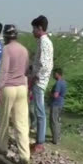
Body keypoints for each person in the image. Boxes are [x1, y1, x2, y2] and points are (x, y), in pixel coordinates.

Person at [0, 24, 30, 164]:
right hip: (22, 87)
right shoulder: (24, 50)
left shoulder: (7, 49)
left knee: (4, 120)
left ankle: (3, 148)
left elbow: (4, 72)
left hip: (9, 88)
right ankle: (24, 155)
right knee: (21, 123)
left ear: (6, 36)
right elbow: (26, 70)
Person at [30, 15, 54, 154]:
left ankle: (40, 142)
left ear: (40, 28)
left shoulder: (45, 42)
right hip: (38, 80)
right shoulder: (41, 42)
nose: (32, 31)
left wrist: (36, 78)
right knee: (39, 111)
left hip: (39, 82)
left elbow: (44, 65)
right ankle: (39, 140)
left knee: (40, 113)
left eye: (34, 28)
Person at [50, 68, 66, 144]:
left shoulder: (58, 83)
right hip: (61, 103)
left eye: (54, 73)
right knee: (58, 121)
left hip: (56, 104)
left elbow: (56, 95)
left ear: (57, 74)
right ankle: (58, 136)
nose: (53, 75)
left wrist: (49, 94)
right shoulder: (64, 82)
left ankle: (55, 140)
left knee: (53, 121)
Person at [28, 65, 36, 133]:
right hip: (27, 96)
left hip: (32, 97)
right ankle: (30, 125)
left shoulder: (33, 78)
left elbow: (32, 88)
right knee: (29, 111)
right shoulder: (28, 77)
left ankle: (33, 126)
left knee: (32, 111)